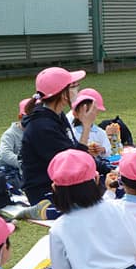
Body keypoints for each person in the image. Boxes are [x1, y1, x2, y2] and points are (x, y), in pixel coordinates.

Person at [19, 66, 95, 218]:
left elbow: (73, 152)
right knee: (93, 203)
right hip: (44, 188)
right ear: (62, 94)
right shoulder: (42, 126)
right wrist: (86, 126)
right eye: (73, 86)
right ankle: (43, 210)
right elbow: (73, 164)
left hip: (60, 182)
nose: (77, 90)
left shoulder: (56, 116)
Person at [69, 88, 112, 158]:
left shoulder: (100, 132)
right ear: (75, 114)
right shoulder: (72, 133)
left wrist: (102, 149)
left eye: (92, 111)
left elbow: (109, 151)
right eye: (85, 111)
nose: (88, 115)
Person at [0, 98, 30, 187]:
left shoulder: (36, 131)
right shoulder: (10, 134)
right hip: (10, 172)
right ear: (20, 117)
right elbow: (5, 154)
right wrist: (24, 163)